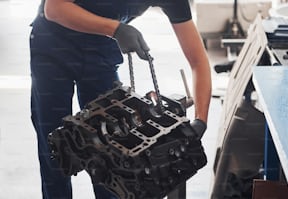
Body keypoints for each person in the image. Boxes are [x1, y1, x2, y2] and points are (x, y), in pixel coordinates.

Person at [29, 0, 212, 198]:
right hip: (53, 48)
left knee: (112, 149)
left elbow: (198, 61)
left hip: (100, 52)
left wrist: (201, 119)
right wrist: (116, 29)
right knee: (55, 149)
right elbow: (54, 9)